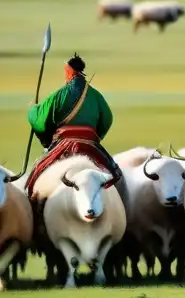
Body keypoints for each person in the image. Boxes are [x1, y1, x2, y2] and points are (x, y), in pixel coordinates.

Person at [23, 53, 123, 196]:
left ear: (69, 70)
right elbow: (107, 119)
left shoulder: (60, 95)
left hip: (63, 143)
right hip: (90, 143)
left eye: (65, 70)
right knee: (114, 172)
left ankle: (35, 209)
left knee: (37, 172)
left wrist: (33, 109)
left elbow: (40, 120)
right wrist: (94, 137)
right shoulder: (96, 95)